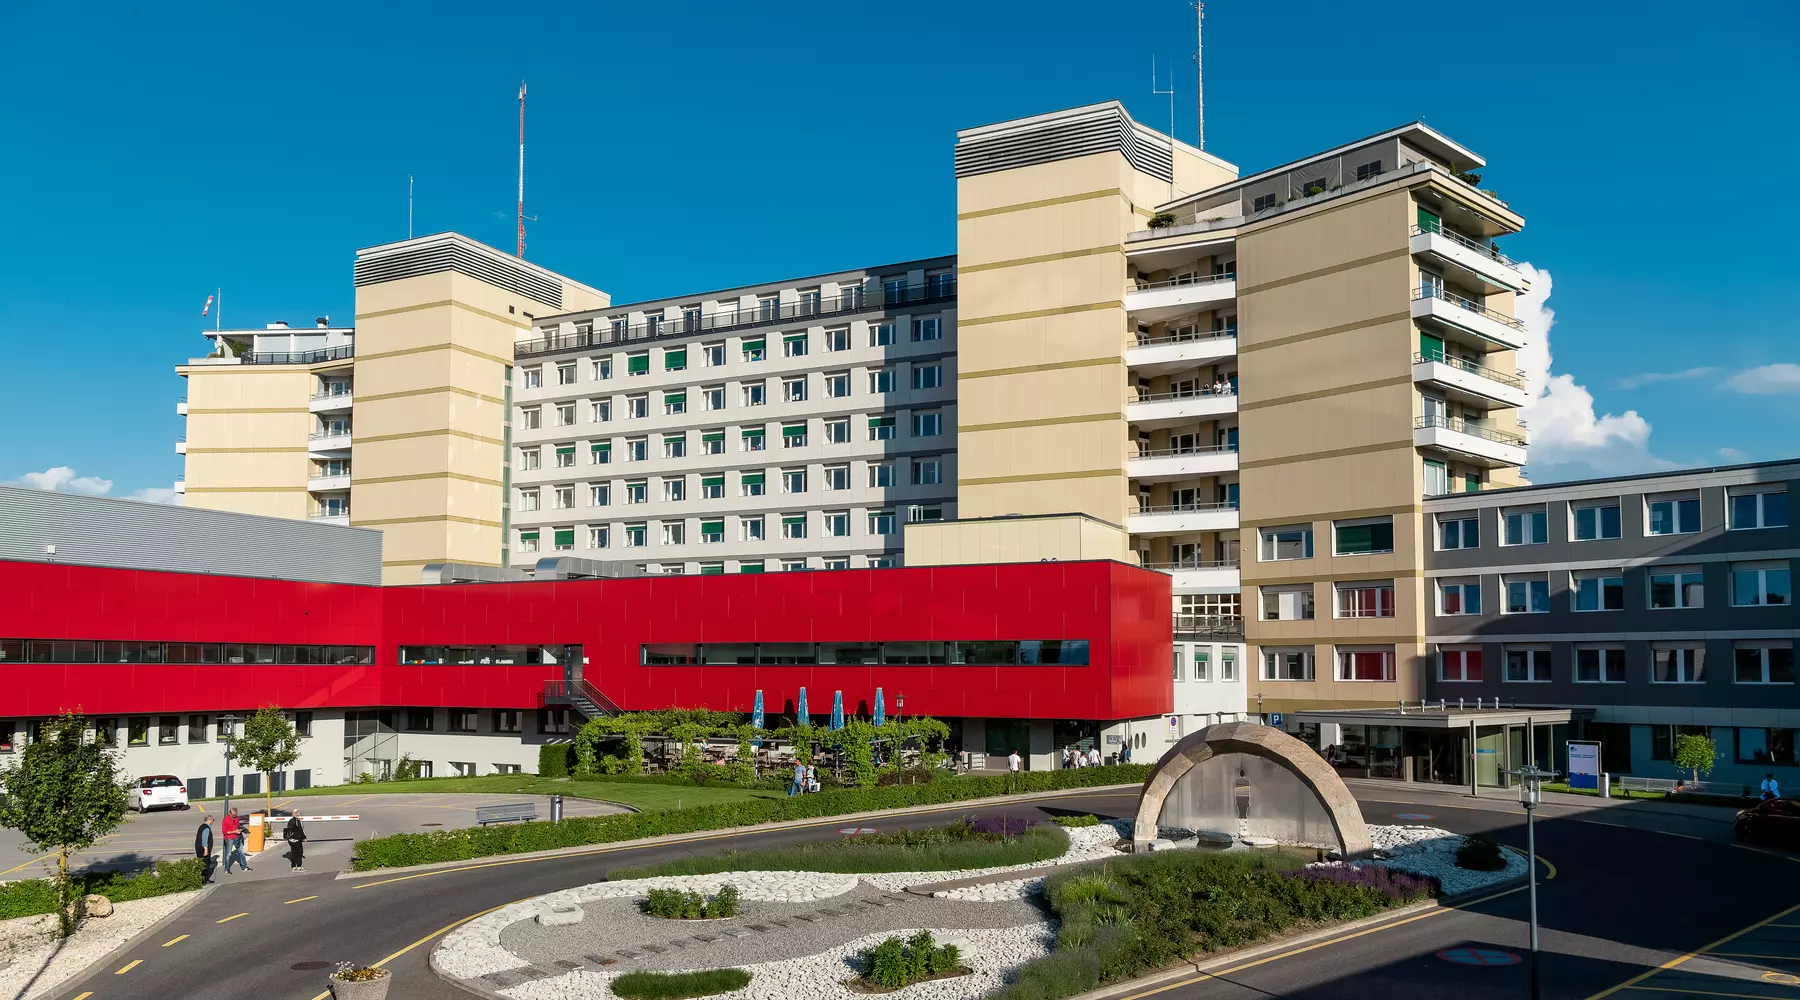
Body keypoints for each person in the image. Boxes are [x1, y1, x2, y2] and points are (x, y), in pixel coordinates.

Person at [222, 809, 252, 874]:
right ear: (230, 813)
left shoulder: (236, 818)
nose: (234, 816)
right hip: (229, 838)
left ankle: (244, 867)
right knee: (228, 854)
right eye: (233, 815)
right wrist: (234, 831)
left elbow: (238, 826)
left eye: (235, 815)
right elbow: (224, 832)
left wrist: (242, 830)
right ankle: (226, 869)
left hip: (237, 837)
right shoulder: (225, 820)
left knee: (241, 853)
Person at [194, 816, 216, 884]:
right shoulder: (206, 828)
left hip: (199, 848)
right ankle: (204, 880)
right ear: (209, 820)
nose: (213, 821)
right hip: (203, 849)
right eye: (213, 820)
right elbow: (204, 840)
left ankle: (203, 879)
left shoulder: (202, 826)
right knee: (205, 864)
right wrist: (206, 849)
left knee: (202, 863)